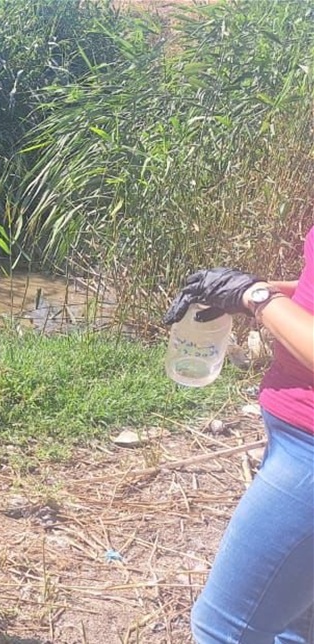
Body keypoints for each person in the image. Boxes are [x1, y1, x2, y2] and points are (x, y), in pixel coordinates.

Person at [163, 224, 314, 644]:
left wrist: (257, 298)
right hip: (297, 442)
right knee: (295, 627)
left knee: (224, 630)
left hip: (310, 457)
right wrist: (245, 294)